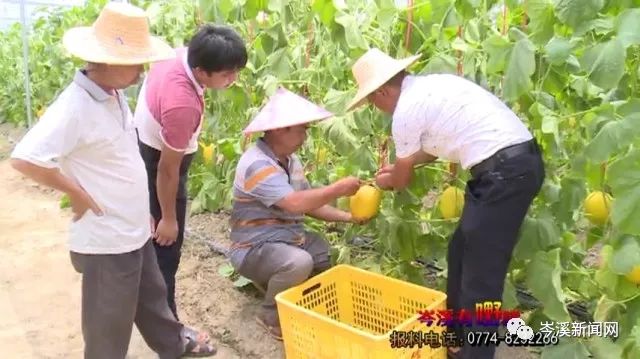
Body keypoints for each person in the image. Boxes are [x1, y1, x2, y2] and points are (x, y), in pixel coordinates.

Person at [9, 3, 216, 358]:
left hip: (132, 227)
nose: (141, 71)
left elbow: (120, 158)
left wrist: (140, 210)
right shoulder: (75, 106)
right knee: (108, 326)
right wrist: (75, 191)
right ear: (107, 62)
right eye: (135, 63)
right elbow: (25, 158)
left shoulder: (112, 94)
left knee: (151, 298)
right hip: (107, 242)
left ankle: (173, 344)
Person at [345, 48, 545, 359]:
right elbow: (433, 149)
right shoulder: (430, 88)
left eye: (372, 100)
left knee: (482, 277)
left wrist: (387, 180)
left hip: (504, 173)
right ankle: (456, 338)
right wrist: (400, 168)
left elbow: (401, 180)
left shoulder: (406, 111)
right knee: (461, 251)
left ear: (383, 90)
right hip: (505, 169)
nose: (375, 107)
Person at [228, 87, 366, 340]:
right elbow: (294, 203)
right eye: (302, 129)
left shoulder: (290, 161)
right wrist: (338, 189)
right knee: (299, 263)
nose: (305, 137)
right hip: (254, 248)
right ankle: (270, 314)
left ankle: (289, 292)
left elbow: (309, 204)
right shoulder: (256, 164)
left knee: (325, 253)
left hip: (288, 239)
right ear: (281, 129)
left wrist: (349, 218)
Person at [133, 23, 248, 320]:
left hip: (148, 141)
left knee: (151, 238)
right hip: (159, 161)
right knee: (166, 245)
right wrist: (169, 219)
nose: (233, 79)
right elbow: (168, 170)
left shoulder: (179, 55)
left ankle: (150, 310)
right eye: (226, 74)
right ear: (200, 70)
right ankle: (167, 327)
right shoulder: (182, 104)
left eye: (236, 70)